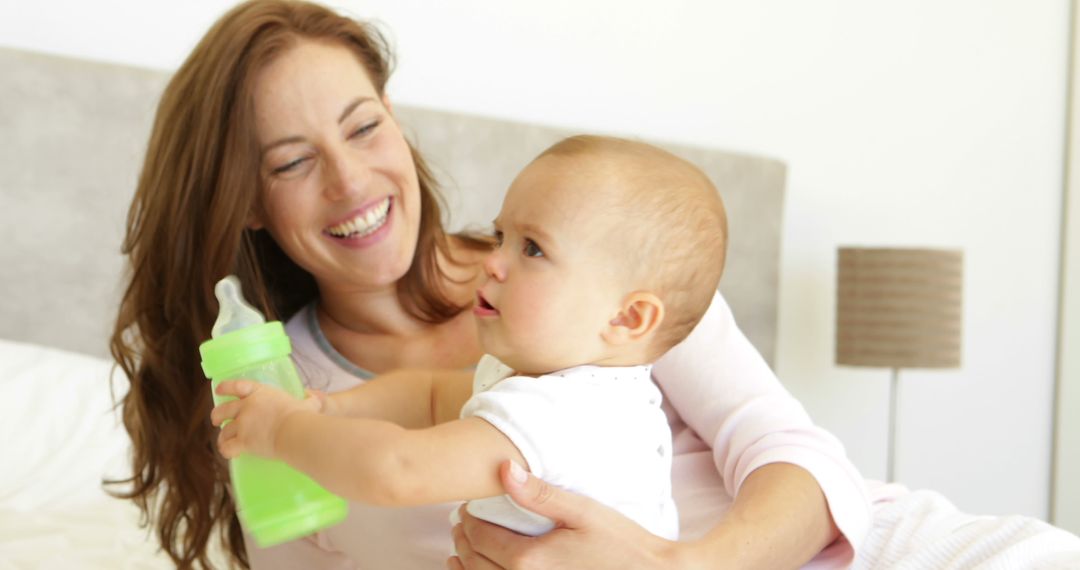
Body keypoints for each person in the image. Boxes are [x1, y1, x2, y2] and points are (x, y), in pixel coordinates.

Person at [109, 1, 870, 569]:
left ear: (394, 119)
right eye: (291, 162)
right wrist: (311, 415)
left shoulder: (594, 268)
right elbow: (438, 401)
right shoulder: (273, 384)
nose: (350, 180)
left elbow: (807, 466)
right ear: (245, 198)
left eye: (363, 126)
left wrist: (676, 567)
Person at [209, 134, 732, 545]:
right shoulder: (548, 384)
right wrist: (331, 408)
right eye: (501, 235)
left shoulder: (568, 416)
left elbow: (397, 471)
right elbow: (431, 395)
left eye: (533, 249)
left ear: (628, 317)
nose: (493, 259)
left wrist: (285, 431)